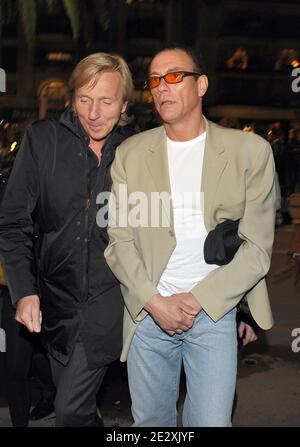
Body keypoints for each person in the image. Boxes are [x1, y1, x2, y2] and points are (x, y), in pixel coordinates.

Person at [104, 44, 276, 427]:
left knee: (212, 422)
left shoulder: (250, 151)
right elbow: (120, 240)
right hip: (149, 312)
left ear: (201, 85)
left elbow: (257, 248)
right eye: (154, 80)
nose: (162, 87)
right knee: (150, 424)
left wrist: (198, 300)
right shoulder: (131, 154)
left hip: (214, 310)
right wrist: (154, 301)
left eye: (174, 77)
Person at [0, 52, 134, 427]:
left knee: (70, 410)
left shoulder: (138, 151)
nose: (93, 113)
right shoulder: (42, 141)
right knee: (78, 407)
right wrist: (24, 290)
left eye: (106, 101)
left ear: (124, 104)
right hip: (55, 308)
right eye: (84, 100)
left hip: (111, 304)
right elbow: (12, 223)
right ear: (72, 97)